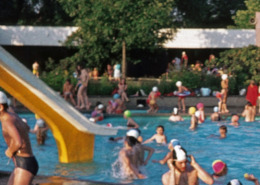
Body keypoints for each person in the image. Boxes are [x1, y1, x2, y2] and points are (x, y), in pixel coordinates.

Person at [0, 91, 39, 184]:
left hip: (24, 164)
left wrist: (9, 151)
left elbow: (18, 143)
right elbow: (27, 127)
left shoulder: (6, 120)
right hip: (24, 162)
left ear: (0, 107)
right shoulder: (13, 116)